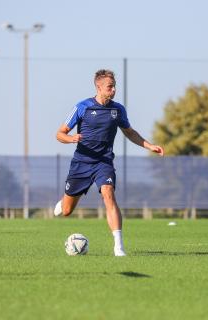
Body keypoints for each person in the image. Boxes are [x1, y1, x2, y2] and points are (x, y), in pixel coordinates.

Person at [53, 69, 164, 256]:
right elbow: (59, 133)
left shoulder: (118, 109)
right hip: (81, 162)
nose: (113, 90)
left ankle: (118, 247)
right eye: (109, 87)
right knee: (66, 211)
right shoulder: (82, 107)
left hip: (103, 162)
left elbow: (129, 132)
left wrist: (149, 145)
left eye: (114, 87)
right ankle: (64, 200)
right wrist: (71, 138)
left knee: (108, 194)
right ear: (98, 87)